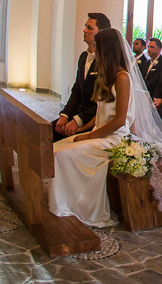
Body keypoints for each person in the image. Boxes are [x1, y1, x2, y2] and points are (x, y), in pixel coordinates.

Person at [49, 27, 133, 226]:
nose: (95, 52)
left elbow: (120, 120)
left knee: (64, 155)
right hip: (100, 133)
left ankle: (80, 207)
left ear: (108, 50)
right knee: (56, 148)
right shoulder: (107, 74)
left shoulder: (122, 78)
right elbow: (100, 112)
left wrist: (88, 137)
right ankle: (69, 202)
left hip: (114, 138)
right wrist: (81, 129)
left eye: (98, 47)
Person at [54, 12, 110, 142]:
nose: (84, 30)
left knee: (61, 145)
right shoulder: (83, 57)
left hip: (95, 120)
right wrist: (65, 115)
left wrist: (78, 121)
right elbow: (77, 91)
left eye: (90, 28)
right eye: (85, 26)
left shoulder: (107, 62)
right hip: (79, 113)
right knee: (48, 133)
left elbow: (104, 103)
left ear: (101, 33)